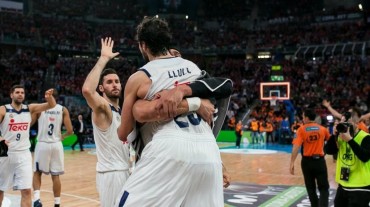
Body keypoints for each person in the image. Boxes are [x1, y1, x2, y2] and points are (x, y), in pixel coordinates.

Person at [115, 16, 225, 206]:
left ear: (143, 46)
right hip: (209, 150)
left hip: (169, 146)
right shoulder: (192, 67)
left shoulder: (140, 77)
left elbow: (123, 132)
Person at [81, 37, 130, 207]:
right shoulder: (104, 109)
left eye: (117, 81)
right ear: (101, 88)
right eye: (109, 82)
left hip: (124, 171)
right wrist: (103, 59)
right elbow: (87, 90)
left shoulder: (121, 111)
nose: (115, 85)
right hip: (112, 174)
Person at [0, 85, 56, 207]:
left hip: (24, 155)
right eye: (17, 92)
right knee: (0, 190)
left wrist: (49, 97)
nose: (20, 94)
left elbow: (51, 105)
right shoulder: (3, 110)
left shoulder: (29, 108)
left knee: (26, 190)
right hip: (6, 154)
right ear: (11, 95)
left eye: (22, 92)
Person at [32, 90, 73, 207]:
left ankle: (36, 200)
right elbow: (70, 131)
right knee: (55, 175)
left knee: (37, 172)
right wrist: (62, 137)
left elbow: (30, 124)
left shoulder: (39, 109)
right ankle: (57, 204)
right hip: (56, 144)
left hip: (42, 143)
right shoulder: (63, 109)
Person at [325, 108, 370, 207]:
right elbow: (328, 151)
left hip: (360, 187)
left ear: (355, 122)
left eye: (347, 122)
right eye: (343, 122)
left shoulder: (366, 137)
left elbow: (365, 157)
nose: (345, 125)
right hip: (343, 185)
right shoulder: (341, 136)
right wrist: (334, 135)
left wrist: (350, 140)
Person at [290, 108, 330, 207]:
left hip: (307, 162)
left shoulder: (301, 129)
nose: (302, 119)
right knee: (324, 188)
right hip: (320, 161)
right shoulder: (323, 129)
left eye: (303, 117)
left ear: (307, 118)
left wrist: (292, 162)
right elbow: (331, 142)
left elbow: (296, 147)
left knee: (310, 188)